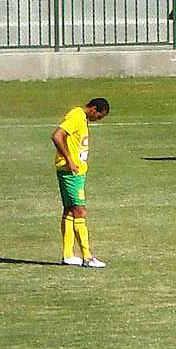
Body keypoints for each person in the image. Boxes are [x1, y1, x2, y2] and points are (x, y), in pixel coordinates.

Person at [51, 97, 110, 267]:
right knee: (80, 211)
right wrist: (69, 159)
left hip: (72, 172)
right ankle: (87, 257)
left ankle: (68, 255)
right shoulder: (77, 116)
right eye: (98, 116)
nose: (97, 120)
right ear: (93, 108)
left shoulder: (80, 117)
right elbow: (57, 136)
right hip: (71, 173)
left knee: (70, 211)